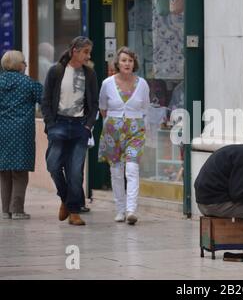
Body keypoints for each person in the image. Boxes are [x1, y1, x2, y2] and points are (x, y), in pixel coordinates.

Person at [41, 36, 99, 226]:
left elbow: (94, 103)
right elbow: (46, 99)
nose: (88, 56)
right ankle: (65, 198)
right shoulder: (56, 71)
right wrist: (50, 124)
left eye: (89, 52)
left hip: (79, 126)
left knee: (75, 171)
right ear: (74, 50)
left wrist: (88, 125)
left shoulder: (89, 74)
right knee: (53, 165)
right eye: (85, 52)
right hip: (58, 124)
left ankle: (74, 211)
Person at [98, 47, 150, 225]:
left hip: (135, 129)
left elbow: (145, 108)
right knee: (116, 171)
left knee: (132, 169)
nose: (127, 64)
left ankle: (131, 210)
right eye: (124, 60)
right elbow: (103, 108)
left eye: (130, 60)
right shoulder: (107, 83)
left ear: (134, 63)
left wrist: (143, 127)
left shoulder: (142, 84)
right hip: (113, 130)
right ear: (117, 64)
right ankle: (120, 209)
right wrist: (114, 123)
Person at [0, 51, 43, 220]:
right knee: (19, 171)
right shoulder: (28, 83)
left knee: (4, 172)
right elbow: (44, 99)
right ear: (18, 65)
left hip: (2, 130)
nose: (25, 64)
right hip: (21, 132)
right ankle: (17, 209)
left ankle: (5, 211)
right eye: (24, 62)